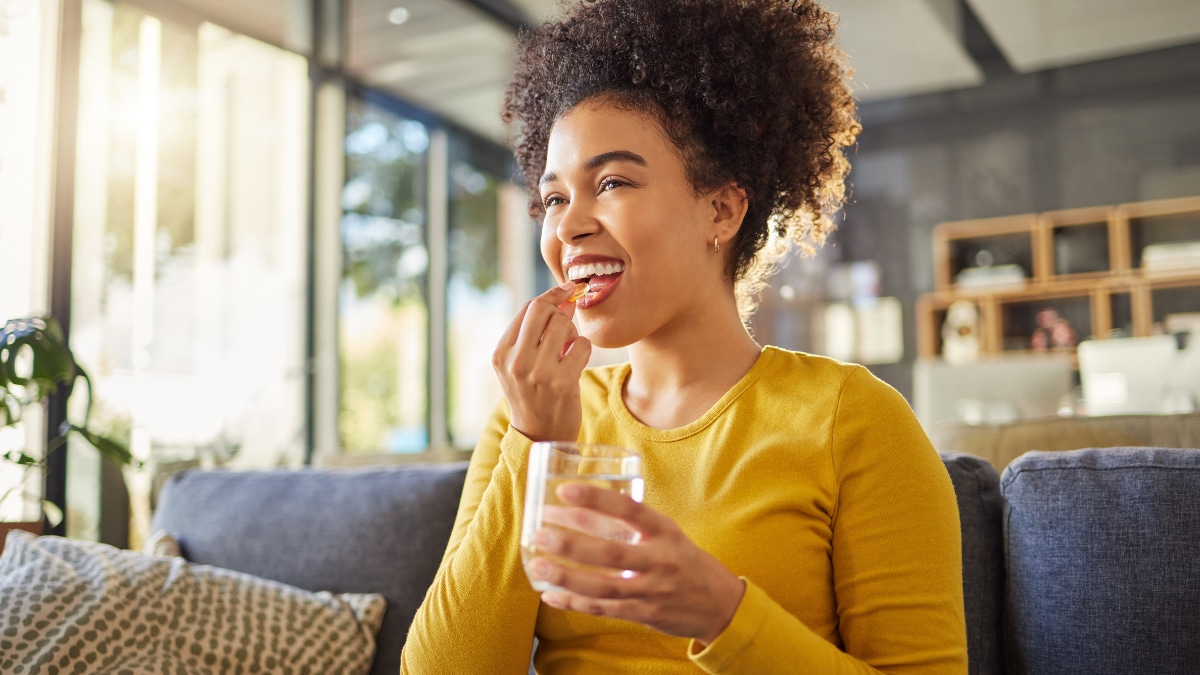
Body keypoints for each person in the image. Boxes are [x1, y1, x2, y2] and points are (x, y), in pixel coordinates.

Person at [401, 0, 967, 672]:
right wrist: (536, 447)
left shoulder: (852, 420)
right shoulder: (531, 419)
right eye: (553, 197)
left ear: (721, 209)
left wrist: (722, 612)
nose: (568, 225)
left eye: (611, 182)